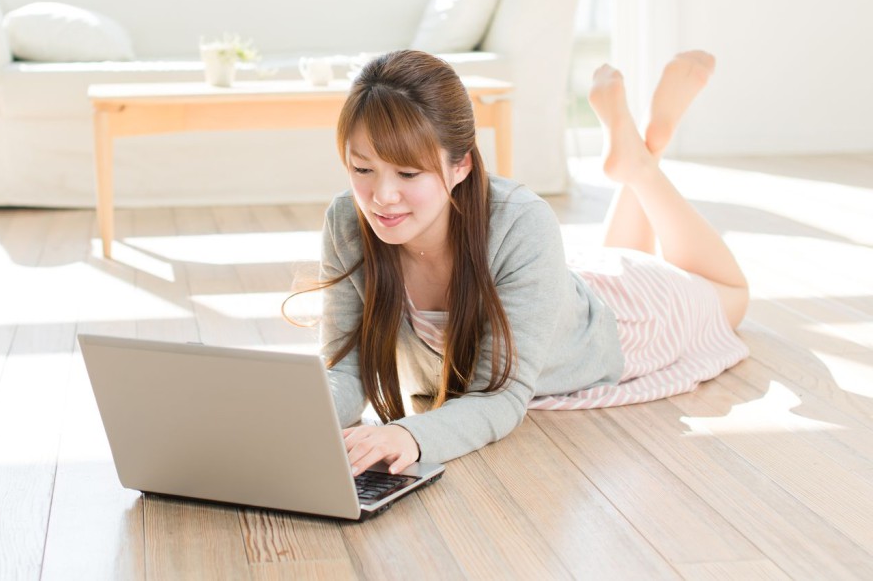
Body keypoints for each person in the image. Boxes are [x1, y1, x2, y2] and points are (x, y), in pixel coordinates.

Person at [310, 49, 749, 478]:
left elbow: (501, 396)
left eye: (408, 175)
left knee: (731, 294)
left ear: (460, 164)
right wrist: (298, 414)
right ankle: (636, 157)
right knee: (616, 254)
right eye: (362, 169)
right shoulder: (348, 220)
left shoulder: (521, 221)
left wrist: (409, 437)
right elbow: (347, 366)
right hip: (558, 298)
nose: (382, 197)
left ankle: (642, 167)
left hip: (628, 319)